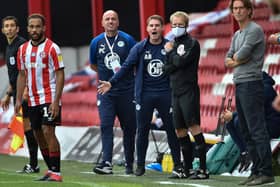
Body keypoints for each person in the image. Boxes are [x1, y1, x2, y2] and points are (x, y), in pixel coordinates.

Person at [97, 15, 183, 178]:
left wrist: (174, 54)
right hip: (145, 95)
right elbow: (126, 67)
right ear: (147, 29)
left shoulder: (170, 46)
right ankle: (140, 166)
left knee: (172, 130)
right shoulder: (139, 47)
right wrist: (111, 82)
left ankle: (178, 166)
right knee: (142, 130)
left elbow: (180, 67)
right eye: (151, 26)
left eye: (157, 25)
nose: (154, 28)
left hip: (166, 94)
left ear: (162, 29)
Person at [225, 0, 274, 185]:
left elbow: (240, 55)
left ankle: (266, 171)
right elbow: (227, 58)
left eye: (240, 8)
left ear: (249, 10)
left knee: (256, 129)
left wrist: (235, 60)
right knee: (245, 130)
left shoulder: (254, 30)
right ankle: (256, 170)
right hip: (240, 84)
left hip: (252, 84)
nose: (237, 11)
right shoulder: (237, 33)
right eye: (234, 8)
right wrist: (235, 60)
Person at [15, 13, 64, 182]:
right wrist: (18, 100)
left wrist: (56, 101)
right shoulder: (22, 50)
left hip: (49, 97)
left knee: (48, 131)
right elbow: (22, 75)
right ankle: (51, 170)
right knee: (37, 134)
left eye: (37, 26)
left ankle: (56, 172)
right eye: (31, 27)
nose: (34, 30)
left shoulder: (52, 48)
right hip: (32, 99)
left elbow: (60, 74)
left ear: (44, 28)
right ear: (27, 29)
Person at [89, 10, 137, 175]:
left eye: (113, 19)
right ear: (102, 23)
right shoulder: (96, 42)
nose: (110, 21)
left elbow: (135, 63)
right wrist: (106, 77)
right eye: (107, 19)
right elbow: (94, 64)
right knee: (106, 125)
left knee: (129, 128)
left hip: (126, 91)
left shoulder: (128, 39)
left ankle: (129, 163)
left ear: (118, 22)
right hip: (106, 93)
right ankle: (107, 162)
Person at [163, 11, 208, 180]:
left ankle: (203, 169)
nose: (176, 28)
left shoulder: (192, 43)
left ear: (186, 25)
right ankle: (187, 169)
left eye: (180, 25)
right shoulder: (172, 44)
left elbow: (181, 62)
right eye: (173, 25)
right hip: (175, 91)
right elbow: (166, 69)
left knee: (193, 125)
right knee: (179, 130)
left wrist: (171, 55)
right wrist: (174, 59)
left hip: (188, 90)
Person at [1, 16, 39, 173]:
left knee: (32, 127)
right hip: (18, 93)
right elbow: (14, 75)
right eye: (6, 26)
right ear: (3, 30)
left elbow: (27, 70)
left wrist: (25, 91)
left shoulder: (22, 45)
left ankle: (35, 164)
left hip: (27, 93)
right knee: (28, 127)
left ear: (17, 29)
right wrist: (9, 94)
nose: (9, 28)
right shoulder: (9, 48)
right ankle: (34, 164)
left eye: (12, 26)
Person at [221, 71, 280, 172]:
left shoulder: (265, 90)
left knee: (238, 121)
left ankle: (251, 153)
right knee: (231, 122)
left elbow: (252, 113)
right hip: (262, 122)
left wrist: (233, 115)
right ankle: (245, 152)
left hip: (272, 126)